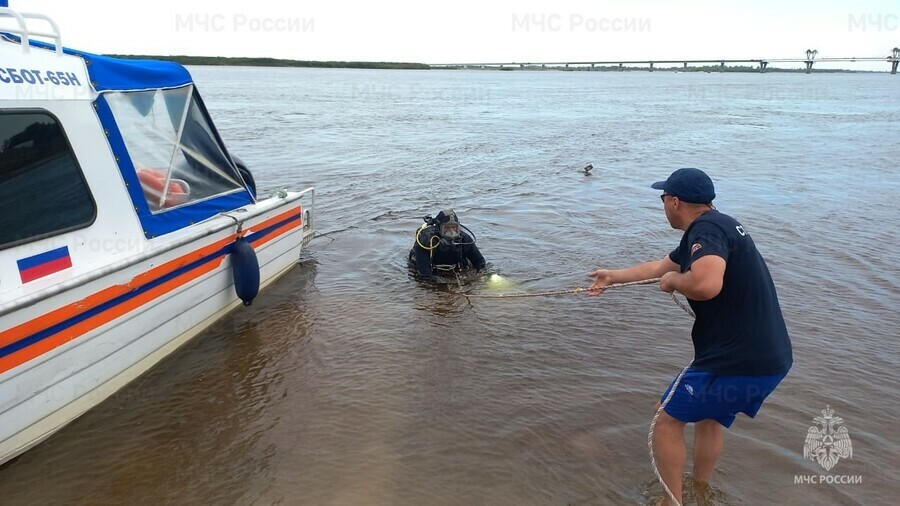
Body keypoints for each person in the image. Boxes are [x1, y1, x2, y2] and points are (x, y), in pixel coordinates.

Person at [587, 168, 792, 505]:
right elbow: (660, 266)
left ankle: (672, 502)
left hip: (737, 361)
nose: (663, 204)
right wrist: (614, 277)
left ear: (675, 201)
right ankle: (700, 490)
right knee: (708, 419)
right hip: (769, 360)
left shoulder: (706, 230)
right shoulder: (720, 225)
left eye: (663, 198)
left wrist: (674, 284)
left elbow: (705, 284)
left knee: (664, 418)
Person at [409, 209, 486, 279]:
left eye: (454, 228)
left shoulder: (464, 239)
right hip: (430, 267)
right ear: (439, 228)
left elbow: (480, 263)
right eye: (447, 229)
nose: (451, 233)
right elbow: (425, 275)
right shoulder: (426, 241)